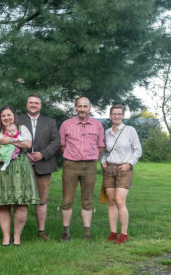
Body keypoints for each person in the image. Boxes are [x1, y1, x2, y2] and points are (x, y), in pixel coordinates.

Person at [0, 105, 39, 246]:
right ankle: (6, 237)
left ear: (14, 115)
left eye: (9, 115)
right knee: (3, 204)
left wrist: (11, 141)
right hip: (2, 169)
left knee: (21, 204)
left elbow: (28, 144)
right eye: (3, 116)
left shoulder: (22, 129)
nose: (6, 118)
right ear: (0, 118)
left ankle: (17, 237)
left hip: (20, 169)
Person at [59, 97, 105, 242]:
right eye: (80, 106)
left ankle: (87, 233)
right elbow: (62, 145)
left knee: (87, 200)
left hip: (90, 167)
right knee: (67, 200)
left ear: (89, 108)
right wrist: (73, 156)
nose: (82, 109)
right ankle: (66, 232)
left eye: (85, 106)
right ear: (76, 108)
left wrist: (89, 157)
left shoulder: (97, 125)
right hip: (71, 165)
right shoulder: (67, 124)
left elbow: (100, 146)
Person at [18, 94, 60, 241]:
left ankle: (41, 231)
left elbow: (56, 141)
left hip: (43, 164)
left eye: (36, 103)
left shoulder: (50, 122)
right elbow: (13, 139)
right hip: (22, 164)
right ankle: (18, 233)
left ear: (40, 105)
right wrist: (25, 153)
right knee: (21, 199)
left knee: (42, 199)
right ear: (26, 104)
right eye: (31, 102)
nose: (33, 105)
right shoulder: (18, 120)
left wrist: (42, 154)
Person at [101, 104, 142, 244]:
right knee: (111, 201)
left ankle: (124, 234)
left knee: (120, 200)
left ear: (123, 116)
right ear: (110, 115)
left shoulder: (130, 130)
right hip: (109, 169)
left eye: (119, 114)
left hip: (124, 169)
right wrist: (102, 161)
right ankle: (113, 232)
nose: (117, 116)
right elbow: (105, 151)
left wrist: (129, 164)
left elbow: (137, 150)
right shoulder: (107, 132)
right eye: (114, 114)